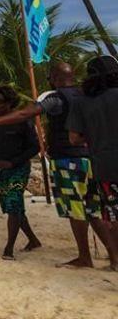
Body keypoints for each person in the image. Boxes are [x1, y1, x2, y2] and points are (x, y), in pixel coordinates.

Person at [0, 62, 117, 270]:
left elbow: (26, 113)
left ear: (52, 77)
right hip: (91, 160)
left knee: (75, 209)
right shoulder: (86, 94)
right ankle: (114, 257)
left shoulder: (54, 96)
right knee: (92, 209)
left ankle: (84, 257)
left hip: (67, 160)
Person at [0, 86, 42, 260]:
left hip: (18, 169)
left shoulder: (22, 121)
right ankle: (33, 240)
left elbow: (35, 147)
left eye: (0, 102)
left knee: (14, 205)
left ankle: (9, 248)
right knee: (13, 207)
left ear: (10, 102)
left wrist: (13, 162)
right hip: (0, 169)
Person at [67, 55, 118, 271]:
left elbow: (74, 138)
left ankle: (116, 260)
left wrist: (97, 135)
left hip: (105, 166)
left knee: (113, 216)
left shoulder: (82, 102)